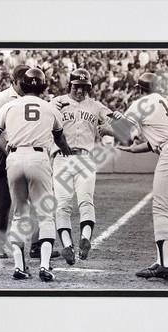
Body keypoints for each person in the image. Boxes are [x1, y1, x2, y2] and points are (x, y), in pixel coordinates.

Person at [0, 68, 71, 281]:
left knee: (18, 214)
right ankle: (44, 266)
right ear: (43, 87)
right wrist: (68, 154)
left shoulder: (8, 105)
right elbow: (61, 140)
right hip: (39, 158)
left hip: (13, 158)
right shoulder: (50, 108)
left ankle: (19, 267)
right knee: (44, 214)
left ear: (21, 85)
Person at [100, 72, 168, 282]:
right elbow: (164, 135)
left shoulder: (142, 102)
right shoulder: (167, 103)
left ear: (138, 89)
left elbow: (123, 132)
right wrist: (135, 150)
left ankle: (164, 265)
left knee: (161, 209)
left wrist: (104, 129)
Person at [50, 68, 112, 265]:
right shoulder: (56, 103)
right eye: (77, 86)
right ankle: (67, 245)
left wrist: (109, 127)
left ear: (89, 88)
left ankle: (85, 239)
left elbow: (122, 125)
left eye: (84, 87)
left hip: (85, 158)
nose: (80, 91)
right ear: (70, 85)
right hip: (61, 157)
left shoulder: (96, 106)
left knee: (86, 200)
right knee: (63, 203)